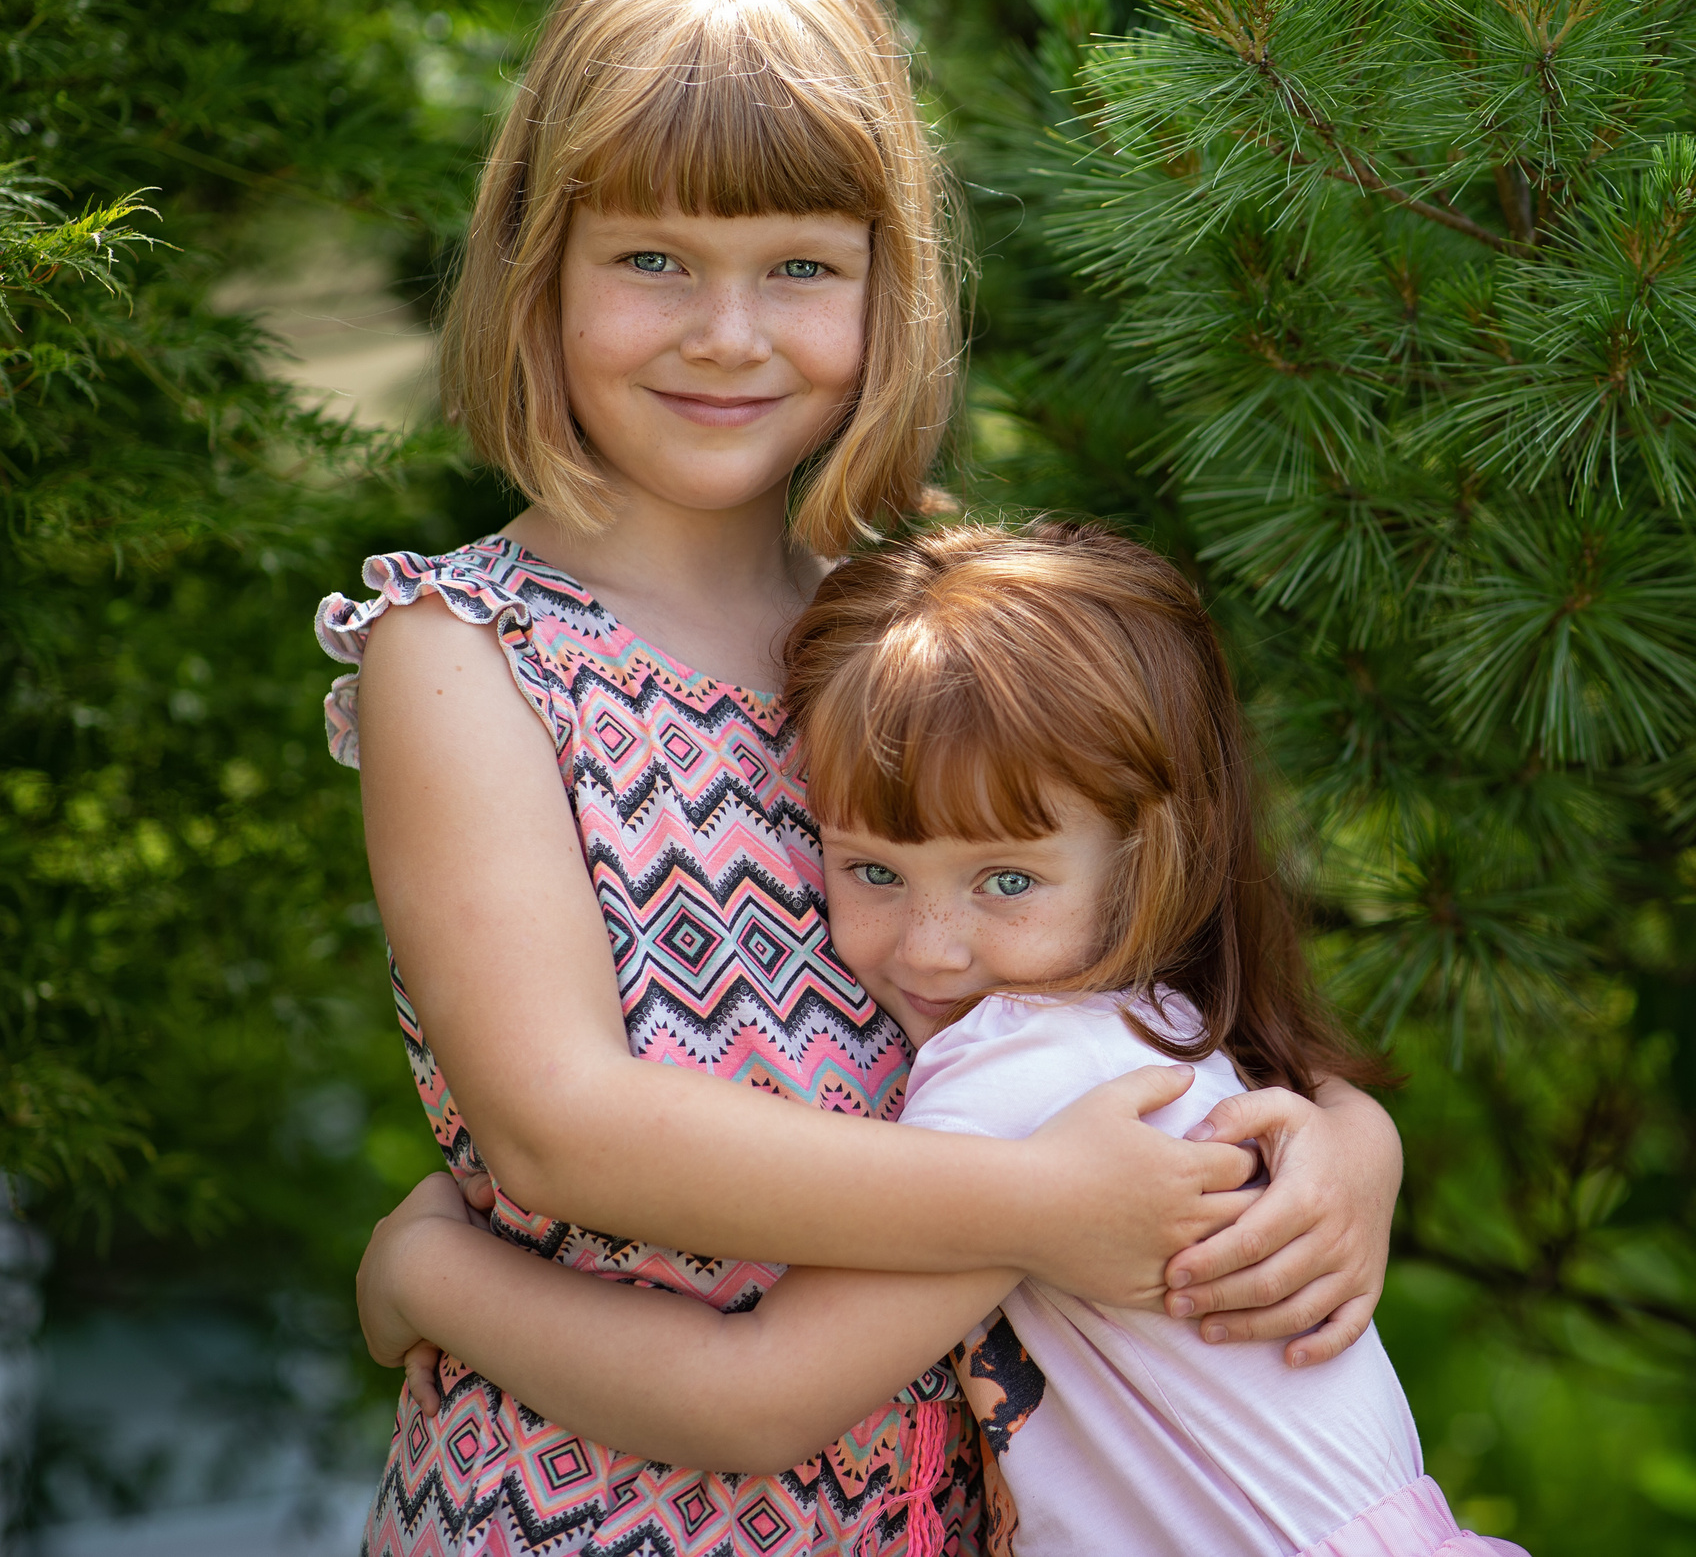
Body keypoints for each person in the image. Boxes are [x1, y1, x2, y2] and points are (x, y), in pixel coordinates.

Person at [317, 0, 1402, 1557]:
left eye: (802, 268)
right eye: (654, 260)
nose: (728, 334)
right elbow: (565, 1123)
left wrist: (1339, 1148)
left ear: (888, 282)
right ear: (541, 263)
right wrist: (1045, 1204)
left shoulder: (917, 639)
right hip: (583, 1506)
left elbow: (1154, 965)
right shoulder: (465, 655)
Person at [358, 521, 1528, 1557]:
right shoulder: (1149, 1026)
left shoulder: (1025, 1077)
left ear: (1152, 854)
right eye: (870, 868)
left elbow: (753, 1402)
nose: (927, 949)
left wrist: (427, 1274)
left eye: (1005, 881)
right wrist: (1360, 1139)